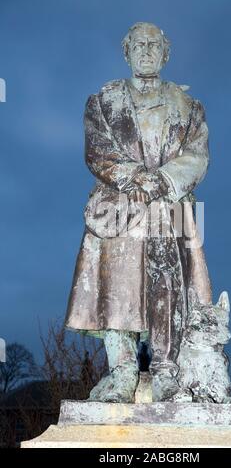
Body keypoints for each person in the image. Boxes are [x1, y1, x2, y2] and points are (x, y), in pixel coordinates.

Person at [64, 22, 212, 403]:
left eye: (154, 45)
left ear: (166, 53)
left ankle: (166, 370)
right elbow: (97, 150)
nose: (146, 51)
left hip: (170, 207)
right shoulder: (103, 101)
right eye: (138, 45)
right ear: (126, 51)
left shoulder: (189, 107)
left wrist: (162, 180)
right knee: (116, 287)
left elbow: (197, 156)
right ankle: (122, 371)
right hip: (116, 207)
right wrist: (136, 179)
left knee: (170, 289)